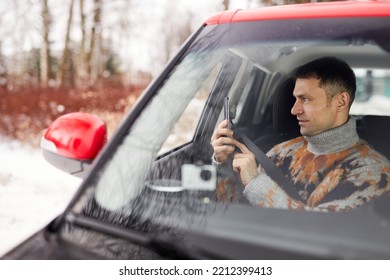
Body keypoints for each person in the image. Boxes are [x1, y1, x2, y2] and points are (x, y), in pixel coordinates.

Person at [211, 56, 390, 212]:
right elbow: (232, 208)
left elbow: (319, 233)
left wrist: (256, 184)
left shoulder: (372, 171)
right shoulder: (280, 152)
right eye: (296, 99)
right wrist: (224, 163)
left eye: (305, 99)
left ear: (341, 102)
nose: (293, 110)